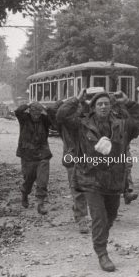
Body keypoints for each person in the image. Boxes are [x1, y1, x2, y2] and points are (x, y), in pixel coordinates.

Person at [56, 89, 139, 272]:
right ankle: (102, 253)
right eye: (99, 104)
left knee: (110, 215)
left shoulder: (122, 126)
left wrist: (128, 102)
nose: (104, 106)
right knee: (99, 217)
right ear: (93, 107)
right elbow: (61, 117)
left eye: (107, 103)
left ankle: (101, 237)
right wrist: (75, 100)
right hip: (91, 178)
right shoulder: (82, 126)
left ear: (111, 106)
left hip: (113, 179)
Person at [15, 102, 55, 215]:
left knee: (43, 180)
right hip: (27, 155)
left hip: (43, 154)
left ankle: (40, 204)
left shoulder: (44, 120)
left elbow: (53, 117)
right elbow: (18, 111)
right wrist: (27, 104)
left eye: (38, 113)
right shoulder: (24, 119)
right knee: (29, 179)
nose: (36, 115)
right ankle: (24, 194)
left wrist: (46, 108)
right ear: (30, 111)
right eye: (33, 112)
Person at [56, 100, 90, 234]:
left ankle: (79, 211)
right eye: (76, 108)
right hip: (73, 158)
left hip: (90, 159)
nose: (79, 110)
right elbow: (61, 114)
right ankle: (82, 219)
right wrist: (75, 99)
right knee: (78, 189)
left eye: (81, 107)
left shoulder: (89, 121)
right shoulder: (66, 123)